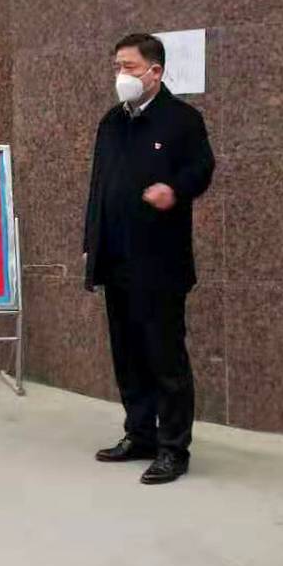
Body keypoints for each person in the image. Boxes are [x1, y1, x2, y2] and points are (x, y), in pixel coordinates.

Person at [84, 33, 215, 485]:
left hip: (160, 263)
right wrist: (91, 240)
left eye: (130, 67)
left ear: (155, 72)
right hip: (116, 258)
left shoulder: (182, 120)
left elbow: (202, 169)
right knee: (128, 354)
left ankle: (173, 447)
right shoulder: (111, 122)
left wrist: (173, 190)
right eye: (117, 66)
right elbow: (99, 186)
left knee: (164, 356)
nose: (121, 75)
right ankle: (139, 433)